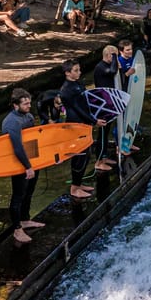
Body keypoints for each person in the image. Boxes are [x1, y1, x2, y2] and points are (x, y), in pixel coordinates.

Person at [2, 88, 46, 244]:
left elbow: (34, 140)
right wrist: (27, 167)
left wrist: (45, 159)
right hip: (19, 163)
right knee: (18, 196)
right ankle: (17, 229)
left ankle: (25, 219)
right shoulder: (12, 122)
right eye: (25, 103)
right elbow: (17, 147)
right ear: (15, 105)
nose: (29, 106)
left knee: (29, 192)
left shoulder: (27, 116)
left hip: (32, 161)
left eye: (29, 103)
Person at [58, 58, 105, 199]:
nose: (79, 72)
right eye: (76, 70)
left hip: (84, 123)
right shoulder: (66, 90)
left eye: (79, 69)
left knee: (87, 154)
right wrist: (94, 120)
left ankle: (78, 183)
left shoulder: (78, 83)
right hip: (76, 125)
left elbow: (86, 102)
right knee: (80, 156)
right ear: (67, 73)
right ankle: (74, 188)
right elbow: (78, 109)